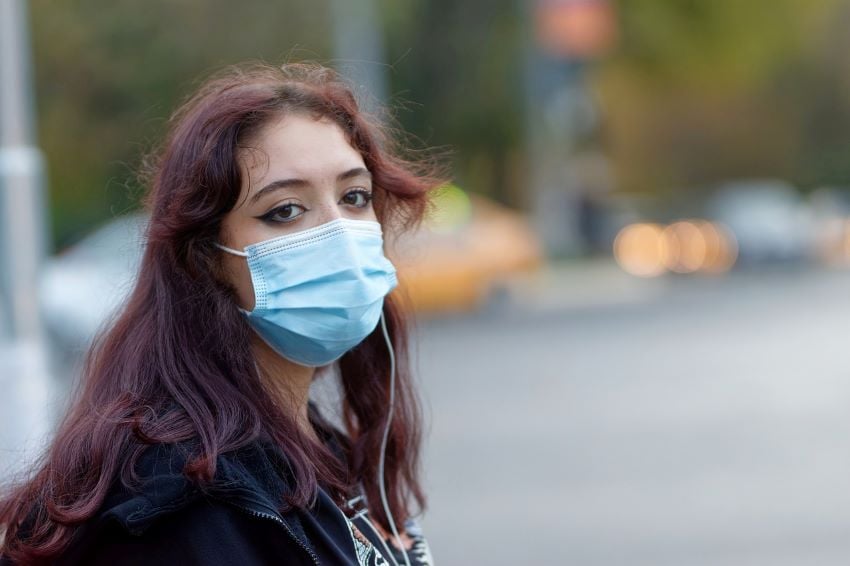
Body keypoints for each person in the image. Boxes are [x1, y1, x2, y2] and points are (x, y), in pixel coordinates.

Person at [0, 62, 441, 566]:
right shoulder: (180, 503)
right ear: (209, 257)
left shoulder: (318, 446)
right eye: (285, 210)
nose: (340, 233)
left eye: (354, 197)